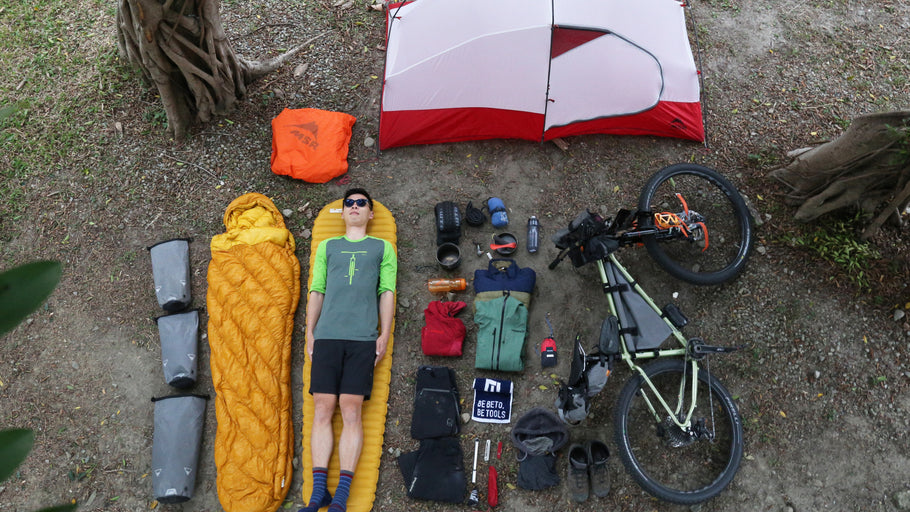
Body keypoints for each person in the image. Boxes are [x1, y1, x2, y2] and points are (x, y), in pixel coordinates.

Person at [300, 188, 397, 512]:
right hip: (327, 336)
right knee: (324, 408)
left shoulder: (383, 248)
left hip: (362, 338)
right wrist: (310, 332)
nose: (355, 207)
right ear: (342, 213)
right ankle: (318, 494)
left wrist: (384, 334)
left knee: (351, 409)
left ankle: (340, 497)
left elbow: (386, 292)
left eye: (361, 203)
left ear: (370, 213)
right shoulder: (328, 247)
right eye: (349, 203)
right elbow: (317, 290)